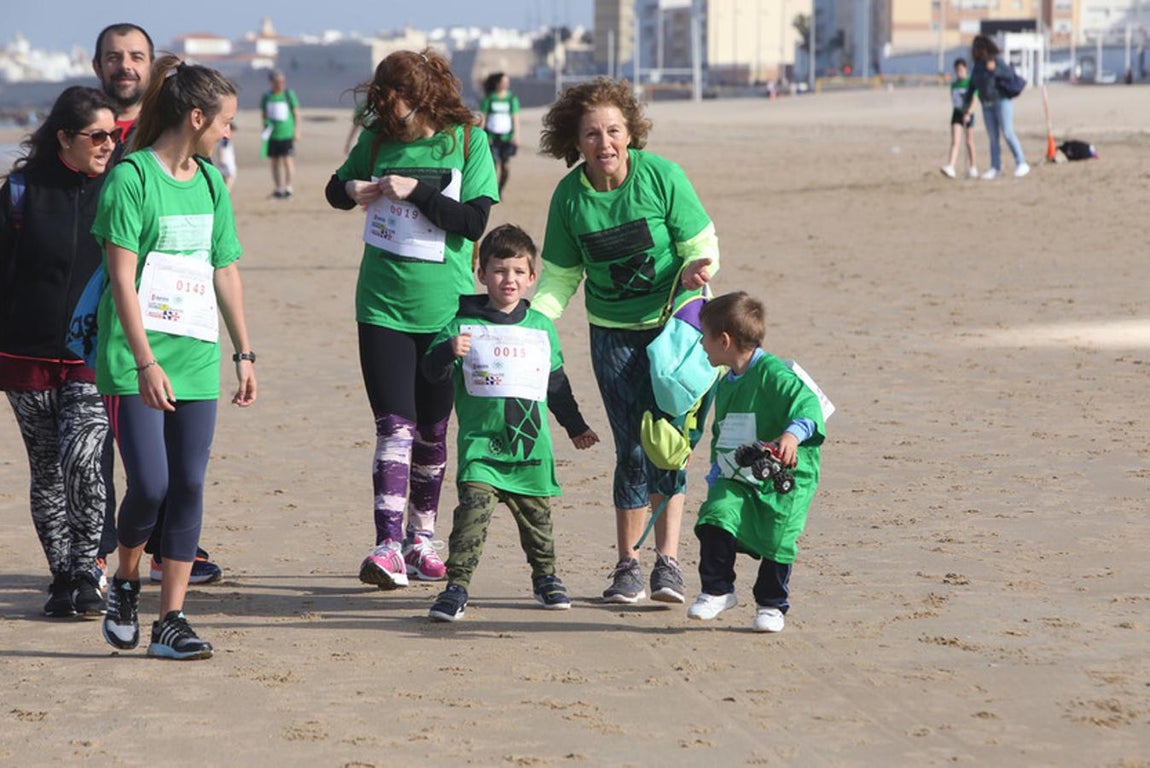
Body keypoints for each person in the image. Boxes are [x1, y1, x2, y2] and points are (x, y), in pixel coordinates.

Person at [534, 78, 719, 605]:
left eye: (614, 130)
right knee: (632, 448)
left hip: (676, 329)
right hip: (612, 335)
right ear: (576, 141)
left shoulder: (661, 176)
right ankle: (627, 566)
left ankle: (669, 564)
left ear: (630, 132)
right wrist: (534, 321)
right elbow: (560, 277)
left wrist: (694, 271)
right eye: (591, 134)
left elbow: (699, 243)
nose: (605, 143)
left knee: (670, 445)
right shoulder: (570, 196)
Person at [95, 55, 256, 660]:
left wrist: (244, 352)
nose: (228, 133)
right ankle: (127, 577)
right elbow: (121, 280)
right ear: (196, 117)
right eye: (226, 123)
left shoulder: (212, 182)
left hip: (195, 354)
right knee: (152, 485)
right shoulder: (131, 178)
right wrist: (143, 362)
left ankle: (171, 621)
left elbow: (225, 268)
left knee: (188, 482)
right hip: (135, 359)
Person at [324, 49, 499, 590]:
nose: (386, 110)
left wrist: (417, 190)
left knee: (432, 430)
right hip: (380, 305)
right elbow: (335, 189)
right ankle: (387, 544)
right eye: (379, 99)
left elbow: (472, 223)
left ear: (423, 96)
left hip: (444, 308)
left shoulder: (468, 140)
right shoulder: (375, 141)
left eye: (394, 100)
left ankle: (423, 539)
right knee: (393, 427)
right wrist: (351, 190)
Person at [92, 21, 224, 585]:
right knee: (102, 455)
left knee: (175, 472)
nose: (125, 65)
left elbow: (218, 258)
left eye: (136, 55)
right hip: (105, 321)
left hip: (177, 331)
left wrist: (243, 350)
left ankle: (166, 561)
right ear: (97, 64)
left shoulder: (187, 157)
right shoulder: (90, 129)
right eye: (114, 56)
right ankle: (102, 555)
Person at [421, 224, 599, 622]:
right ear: (481, 275)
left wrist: (575, 426)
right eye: (499, 271)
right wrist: (448, 351)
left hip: (529, 448)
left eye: (519, 272)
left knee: (538, 520)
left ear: (532, 278)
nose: (509, 279)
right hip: (481, 447)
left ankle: (546, 577)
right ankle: (456, 587)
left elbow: (556, 384)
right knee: (471, 517)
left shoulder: (540, 328)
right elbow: (429, 372)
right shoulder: (461, 325)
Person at [0, 86, 118, 618]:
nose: (108, 145)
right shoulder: (21, 190)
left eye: (113, 135)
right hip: (25, 354)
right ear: (65, 138)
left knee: (84, 460)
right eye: (97, 136)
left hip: (92, 355)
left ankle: (89, 568)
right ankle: (63, 576)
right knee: (46, 469)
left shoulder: (120, 187)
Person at [687, 292, 826, 633]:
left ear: (724, 340)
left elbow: (808, 405)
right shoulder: (726, 384)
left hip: (787, 473)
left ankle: (771, 605)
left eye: (704, 337)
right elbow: (724, 431)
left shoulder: (773, 373)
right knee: (716, 514)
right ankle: (717, 589)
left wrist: (792, 435)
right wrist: (717, 469)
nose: (701, 344)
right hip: (740, 470)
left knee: (779, 536)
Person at [962, 35, 1030, 180]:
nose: (975, 52)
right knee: (993, 137)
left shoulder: (995, 60)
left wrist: (995, 70)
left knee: (1007, 132)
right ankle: (995, 167)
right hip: (986, 105)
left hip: (1001, 101)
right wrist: (965, 106)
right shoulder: (977, 67)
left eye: (977, 49)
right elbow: (972, 86)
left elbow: (1010, 74)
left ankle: (1021, 162)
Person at [261, 70, 300, 199]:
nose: (280, 84)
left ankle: (288, 187)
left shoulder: (289, 95)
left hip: (286, 134)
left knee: (288, 161)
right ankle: (278, 188)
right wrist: (265, 129)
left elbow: (296, 114)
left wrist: (297, 131)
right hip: (273, 134)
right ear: (271, 82)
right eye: (277, 82)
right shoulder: (267, 96)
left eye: (282, 82)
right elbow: (264, 114)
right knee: (274, 162)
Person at [479, 72, 520, 193]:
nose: (506, 84)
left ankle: (500, 189)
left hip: (507, 138)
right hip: (492, 137)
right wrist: (481, 135)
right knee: (494, 165)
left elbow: (515, 118)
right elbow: (483, 118)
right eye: (503, 82)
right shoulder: (489, 99)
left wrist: (517, 136)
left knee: (506, 167)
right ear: (497, 83)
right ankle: (492, 190)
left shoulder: (511, 99)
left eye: (507, 82)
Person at [940, 58, 978, 179]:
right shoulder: (954, 85)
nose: (959, 73)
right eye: (957, 70)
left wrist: (969, 112)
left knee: (969, 141)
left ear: (966, 69)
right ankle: (951, 166)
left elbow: (975, 100)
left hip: (968, 114)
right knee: (955, 141)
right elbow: (954, 100)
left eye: (961, 70)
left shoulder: (971, 83)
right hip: (957, 113)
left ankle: (972, 167)